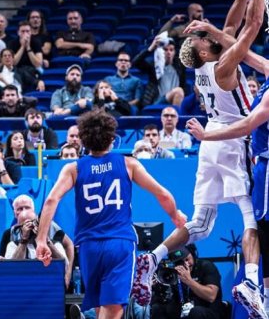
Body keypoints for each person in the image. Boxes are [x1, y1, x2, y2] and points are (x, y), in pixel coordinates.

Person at [136, 0, 265, 314]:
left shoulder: (204, 66)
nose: (206, 37)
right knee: (251, 217)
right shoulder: (224, 66)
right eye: (202, 39)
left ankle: (152, 258)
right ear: (205, 49)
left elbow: (229, 25)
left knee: (200, 225)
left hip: (209, 143)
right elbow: (247, 25)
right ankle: (252, 281)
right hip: (235, 137)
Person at [186, 29, 269, 319]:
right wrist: (213, 30)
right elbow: (244, 52)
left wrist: (207, 136)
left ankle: (268, 306)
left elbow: (247, 126)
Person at [35, 109, 187, 318]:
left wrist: (41, 239)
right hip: (119, 244)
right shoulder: (127, 163)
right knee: (112, 312)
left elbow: (51, 200)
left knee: (102, 310)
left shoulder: (73, 168)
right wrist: (175, 215)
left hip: (89, 247)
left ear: (84, 139)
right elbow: (162, 194)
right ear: (112, 138)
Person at [149, 245, 224, 319]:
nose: (186, 264)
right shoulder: (175, 273)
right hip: (184, 310)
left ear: (193, 254)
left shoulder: (206, 266)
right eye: (180, 262)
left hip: (208, 311)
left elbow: (211, 296)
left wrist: (189, 281)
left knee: (196, 312)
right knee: (157, 309)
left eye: (187, 259)